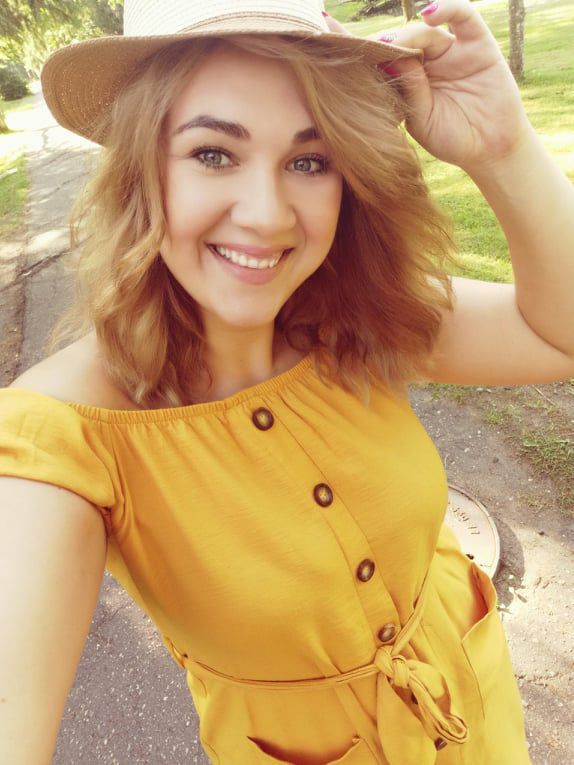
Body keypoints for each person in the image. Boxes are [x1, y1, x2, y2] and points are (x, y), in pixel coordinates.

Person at [0, 0, 572, 762]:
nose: (268, 216)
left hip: (482, 718)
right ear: (143, 166)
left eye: (309, 160)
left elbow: (559, 333)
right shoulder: (62, 440)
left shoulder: (356, 311)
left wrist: (502, 146)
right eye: (213, 153)